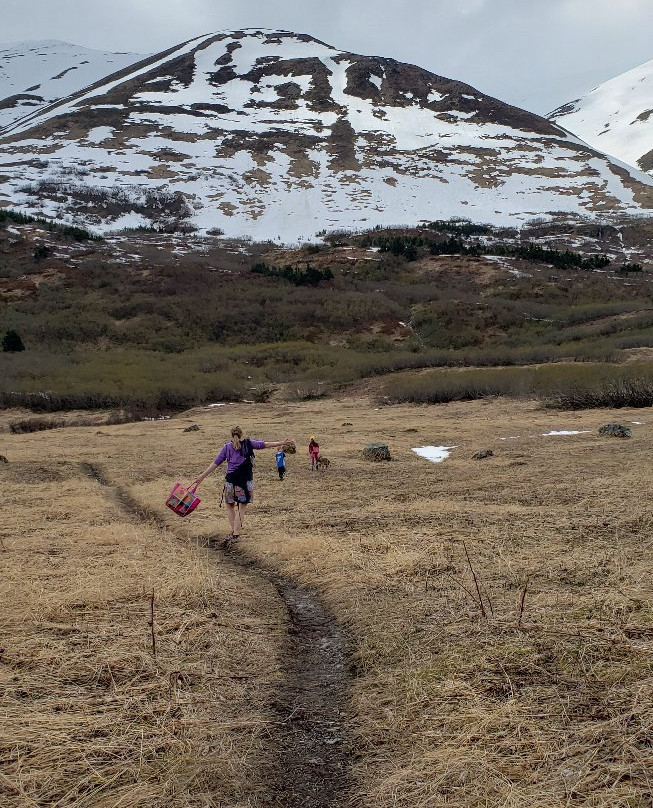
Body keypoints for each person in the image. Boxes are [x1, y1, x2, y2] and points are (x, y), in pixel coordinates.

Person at [192, 426, 294, 542]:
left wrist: (201, 476)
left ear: (232, 435)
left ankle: (234, 532)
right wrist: (281, 442)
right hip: (245, 481)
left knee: (230, 506)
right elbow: (265, 444)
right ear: (241, 435)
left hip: (231, 480)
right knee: (241, 508)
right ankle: (236, 533)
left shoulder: (227, 447)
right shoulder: (249, 443)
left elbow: (215, 463)